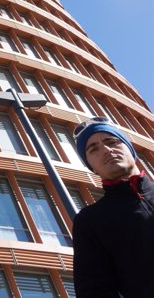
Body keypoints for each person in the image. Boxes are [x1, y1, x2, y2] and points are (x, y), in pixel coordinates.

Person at [72, 117, 154, 297]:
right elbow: (94, 290)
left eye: (112, 142)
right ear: (90, 166)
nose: (106, 150)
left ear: (131, 150)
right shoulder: (89, 221)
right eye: (93, 149)